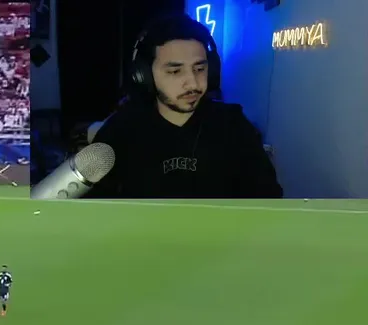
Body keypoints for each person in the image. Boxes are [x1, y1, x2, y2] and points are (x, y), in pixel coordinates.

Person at [88, 14, 282, 199]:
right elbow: (92, 206)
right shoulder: (120, 130)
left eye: (200, 69)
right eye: (175, 71)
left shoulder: (234, 125)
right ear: (144, 75)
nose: (193, 83)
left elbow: (268, 198)